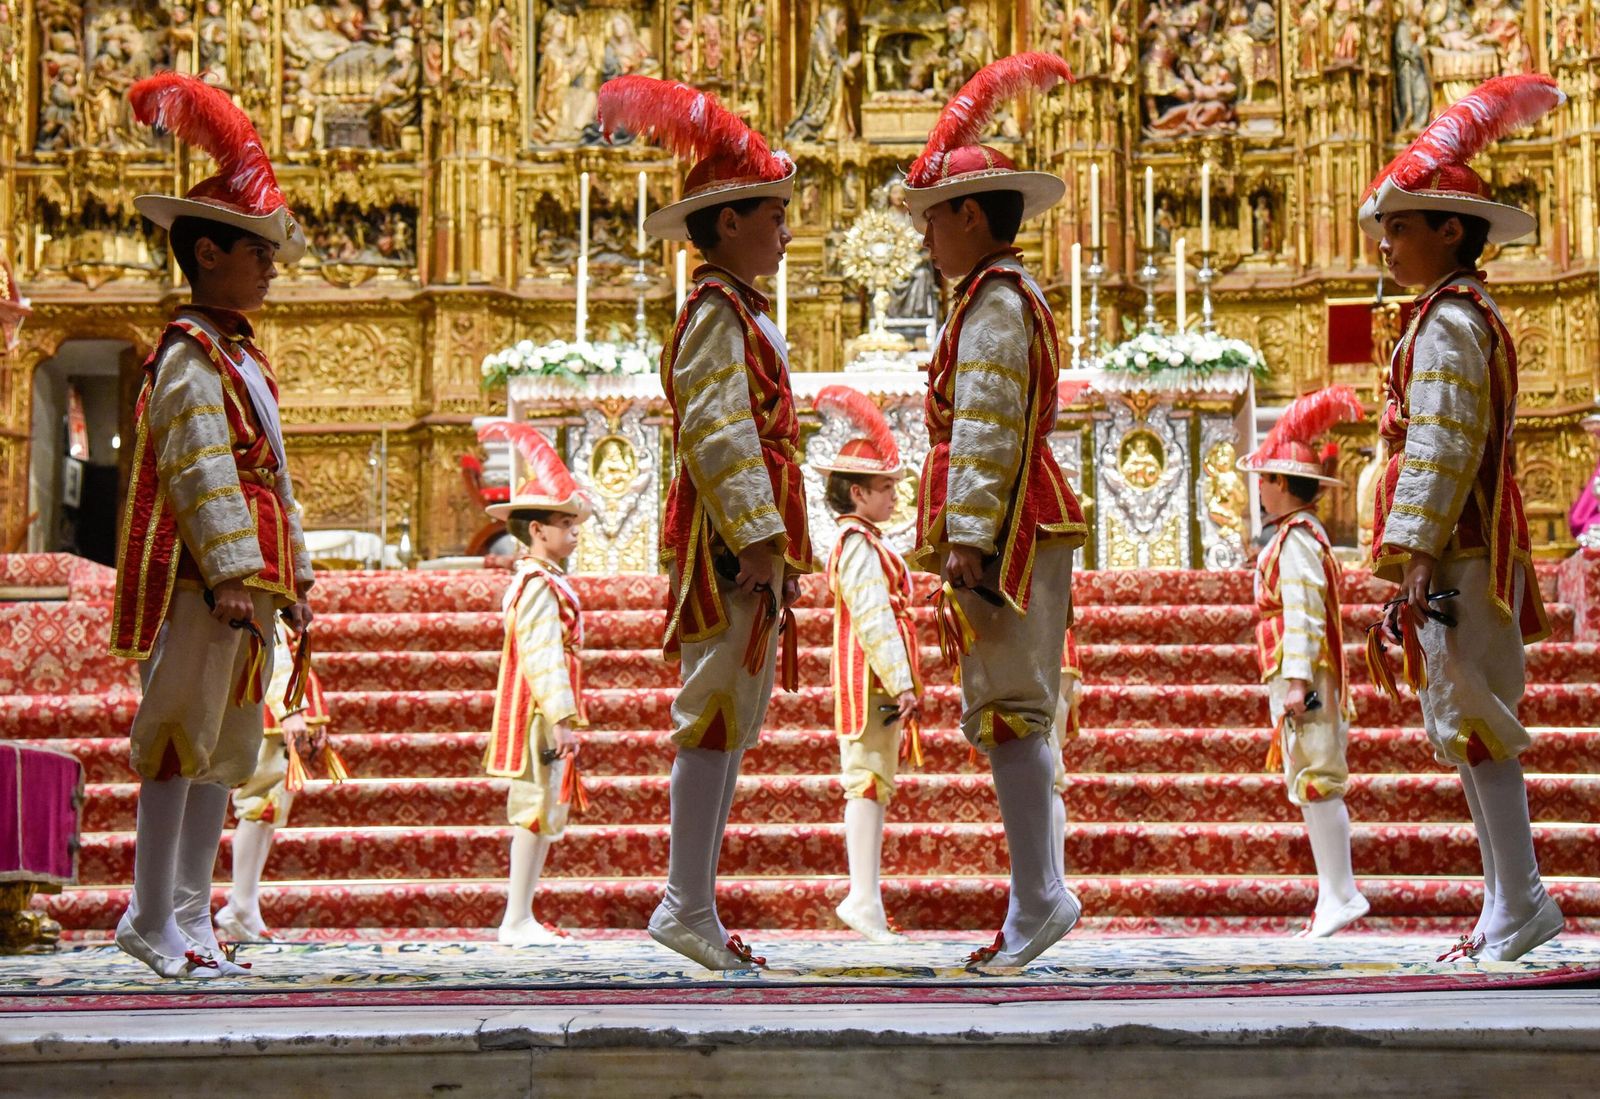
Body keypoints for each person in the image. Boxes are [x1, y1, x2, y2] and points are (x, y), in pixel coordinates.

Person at [598, 75, 813, 969]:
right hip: (728, 550)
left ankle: (696, 903)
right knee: (711, 712)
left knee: (730, 716)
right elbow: (722, 435)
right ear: (728, 223)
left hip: (746, 548)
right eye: (775, 214)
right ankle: (683, 901)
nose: (787, 231)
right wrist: (760, 542)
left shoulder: (741, 312)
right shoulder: (716, 316)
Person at [1359, 72, 1566, 962]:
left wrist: (1415, 546)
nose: (1385, 245)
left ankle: (1520, 897)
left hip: (1460, 545)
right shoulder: (1448, 314)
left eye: (1401, 227)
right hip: (1462, 542)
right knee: (1464, 716)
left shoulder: (1447, 321)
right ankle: (1503, 899)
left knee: (1476, 716)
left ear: (1453, 230)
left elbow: (1442, 440)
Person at [110, 72, 313, 978]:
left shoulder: (239, 358)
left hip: (247, 585)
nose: (271, 266)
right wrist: (233, 569)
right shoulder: (191, 358)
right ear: (205, 252)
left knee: (220, 753)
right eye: (256, 251)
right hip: (206, 582)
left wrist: (291, 571)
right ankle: (150, 912)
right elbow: (200, 471)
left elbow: (273, 477)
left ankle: (191, 914)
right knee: (175, 739)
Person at [902, 52, 1084, 968]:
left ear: (970, 215)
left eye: (933, 219)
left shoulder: (995, 304)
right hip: (1015, 518)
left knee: (1012, 706)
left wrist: (970, 540)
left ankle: (1041, 897)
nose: (926, 239)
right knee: (1010, 708)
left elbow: (984, 428)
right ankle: (1034, 897)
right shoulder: (993, 295)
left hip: (1008, 527)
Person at [1239, 386, 1369, 937]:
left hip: (1306, 679)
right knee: (1309, 778)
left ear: (1282, 485)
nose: (1260, 489)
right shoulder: (1297, 536)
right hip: (1297, 676)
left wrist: (1296, 681)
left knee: (1318, 776)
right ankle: (1333, 894)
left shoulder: (1295, 540)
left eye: (1265, 479)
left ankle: (1342, 893)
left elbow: (1304, 614)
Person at [474, 421, 594, 946]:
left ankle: (523, 913)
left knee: (545, 806)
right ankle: (515, 917)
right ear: (538, 530)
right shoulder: (537, 584)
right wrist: (561, 716)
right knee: (533, 805)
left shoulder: (545, 580)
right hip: (536, 709)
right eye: (565, 523)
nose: (574, 532)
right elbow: (543, 653)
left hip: (546, 705)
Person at [812, 385, 923, 943]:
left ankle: (867, 898)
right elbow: (873, 615)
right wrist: (900, 679)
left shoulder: (865, 540)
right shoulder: (856, 544)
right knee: (866, 783)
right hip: (870, 680)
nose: (892, 499)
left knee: (873, 784)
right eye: (884, 489)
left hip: (875, 678)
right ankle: (862, 897)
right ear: (857, 492)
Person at [216, 620, 338, 942]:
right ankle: (240, 903)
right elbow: (271, 642)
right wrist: (291, 709)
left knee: (271, 807)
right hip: (269, 697)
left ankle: (245, 902)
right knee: (259, 805)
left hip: (280, 692)